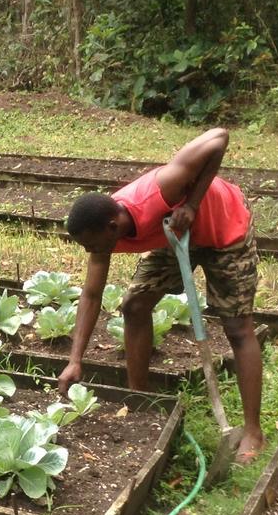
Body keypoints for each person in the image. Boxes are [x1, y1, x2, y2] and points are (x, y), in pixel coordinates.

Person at [56, 127, 265, 459]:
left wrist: (193, 203)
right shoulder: (102, 237)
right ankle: (140, 399)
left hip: (225, 228)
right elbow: (91, 295)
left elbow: (219, 137)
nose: (90, 252)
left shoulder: (157, 192)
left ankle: (253, 431)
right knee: (135, 306)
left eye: (92, 245)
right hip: (176, 234)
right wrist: (75, 360)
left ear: (112, 227)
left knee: (238, 328)